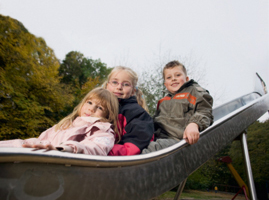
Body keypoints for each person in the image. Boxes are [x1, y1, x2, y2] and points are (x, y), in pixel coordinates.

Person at [0, 87, 120, 156]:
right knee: (19, 144)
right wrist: (26, 144)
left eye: (100, 108)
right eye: (89, 102)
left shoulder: (102, 129)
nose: (91, 108)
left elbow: (97, 147)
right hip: (40, 155)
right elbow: (42, 139)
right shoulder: (66, 123)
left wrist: (67, 148)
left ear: (108, 114)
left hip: (64, 164)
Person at [142, 60, 213, 153]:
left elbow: (204, 110)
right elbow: (156, 121)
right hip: (159, 137)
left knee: (152, 148)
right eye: (169, 77)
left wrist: (194, 124)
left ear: (187, 78)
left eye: (178, 75)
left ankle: (133, 166)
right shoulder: (163, 101)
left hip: (178, 140)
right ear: (165, 84)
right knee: (139, 143)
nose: (173, 79)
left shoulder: (194, 92)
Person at [103, 66, 154, 156]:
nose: (119, 87)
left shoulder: (138, 114)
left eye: (126, 84)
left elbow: (134, 144)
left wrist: (103, 151)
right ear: (107, 86)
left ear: (133, 91)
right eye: (115, 82)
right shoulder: (95, 106)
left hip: (116, 159)